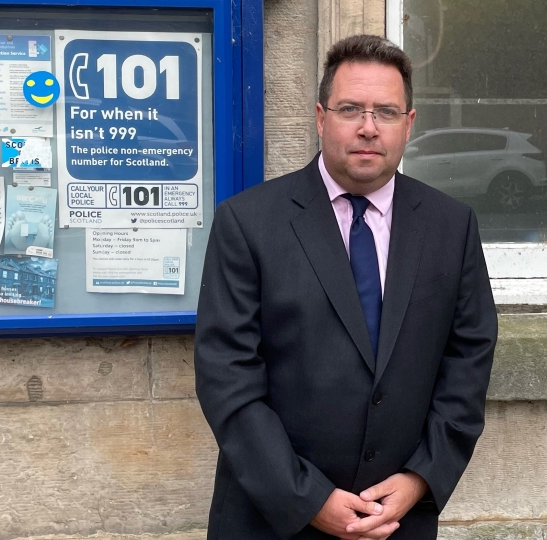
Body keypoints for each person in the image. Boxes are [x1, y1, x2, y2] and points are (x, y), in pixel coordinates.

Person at [194, 34, 498, 540]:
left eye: (386, 112)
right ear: (319, 117)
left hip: (397, 519)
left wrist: (422, 477)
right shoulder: (248, 223)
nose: (368, 128)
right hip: (271, 520)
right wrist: (307, 498)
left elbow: (468, 361)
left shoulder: (452, 225)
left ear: (409, 123)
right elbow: (227, 378)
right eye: (350, 109)